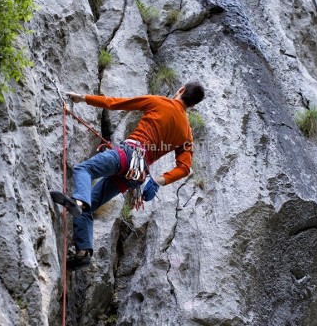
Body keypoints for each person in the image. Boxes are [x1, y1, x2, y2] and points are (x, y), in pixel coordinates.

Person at [51, 81, 205, 270]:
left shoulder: (159, 102)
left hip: (129, 154)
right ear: (193, 105)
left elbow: (116, 103)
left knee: (84, 170)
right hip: (137, 174)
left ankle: (79, 201)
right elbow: (184, 168)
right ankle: (83, 252)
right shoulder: (187, 133)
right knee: (90, 206)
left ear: (180, 90)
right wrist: (157, 181)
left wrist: (83, 98)